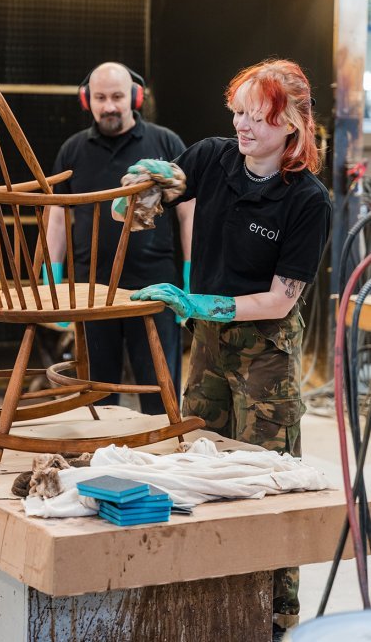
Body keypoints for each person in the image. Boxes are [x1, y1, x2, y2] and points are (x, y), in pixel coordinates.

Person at [129, 59, 332, 639]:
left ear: (291, 121)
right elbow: (146, 211)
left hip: (266, 350)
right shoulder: (213, 157)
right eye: (238, 112)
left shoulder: (308, 200)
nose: (243, 126)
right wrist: (138, 194)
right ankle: (208, 594)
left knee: (267, 476)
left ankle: (273, 615)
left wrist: (201, 305)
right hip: (210, 346)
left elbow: (278, 301)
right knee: (201, 459)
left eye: (257, 116)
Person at [44, 61, 193, 414]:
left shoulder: (165, 141)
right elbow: (56, 219)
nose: (109, 105)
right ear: (87, 100)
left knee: (160, 392)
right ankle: (100, 460)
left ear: (135, 97)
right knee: (97, 396)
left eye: (116, 96)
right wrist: (53, 279)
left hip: (153, 290)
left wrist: (191, 273)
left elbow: (189, 213)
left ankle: (163, 457)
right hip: (92, 289)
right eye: (100, 97)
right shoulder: (72, 150)